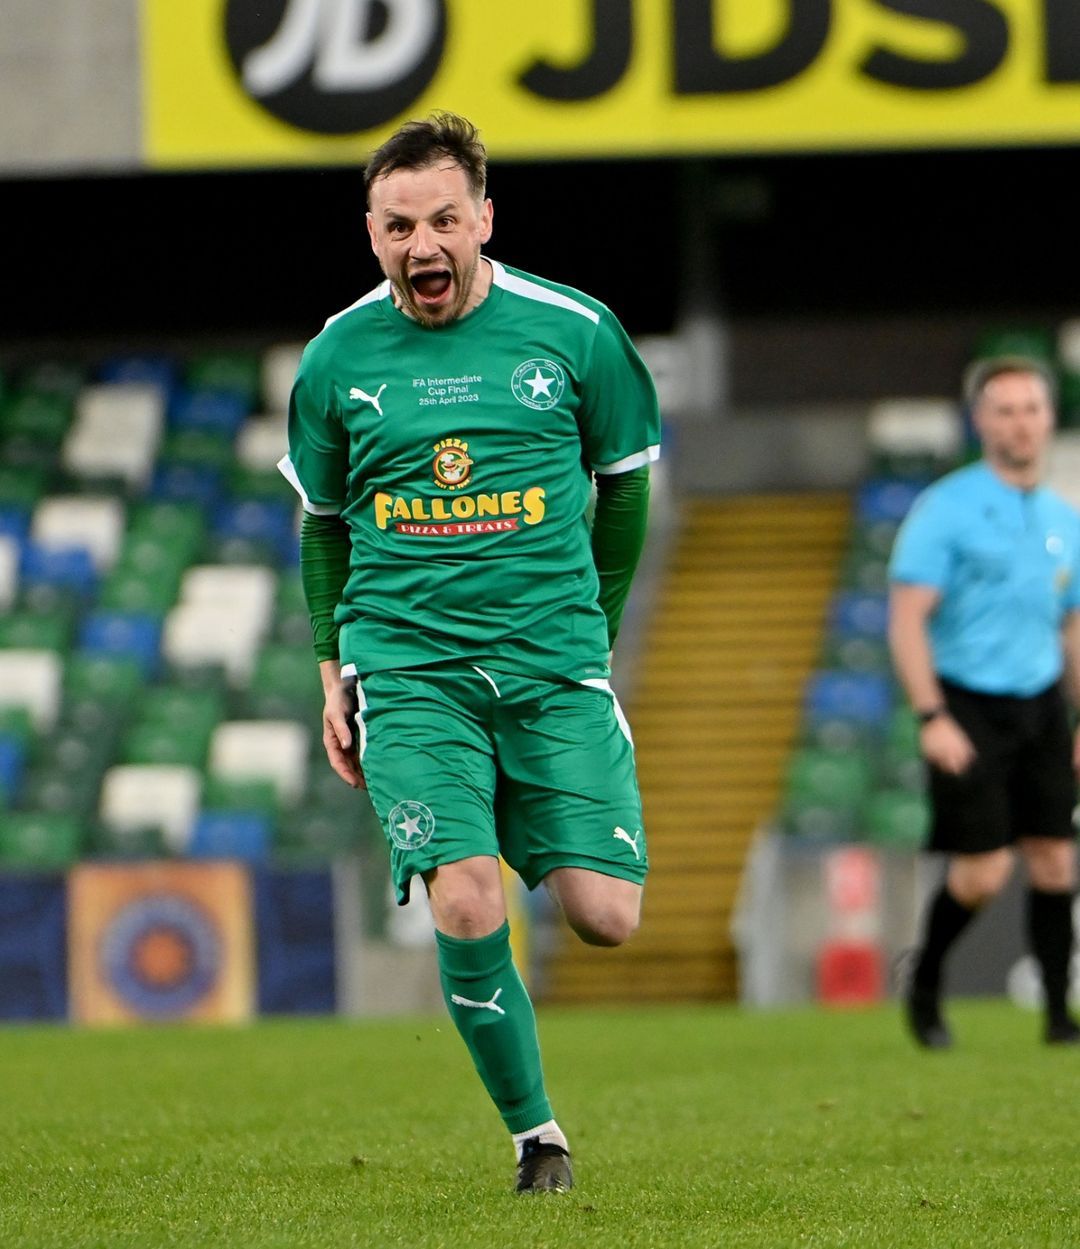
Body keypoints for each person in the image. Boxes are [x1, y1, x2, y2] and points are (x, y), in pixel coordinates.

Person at [278, 112, 660, 1191]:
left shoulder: (576, 332)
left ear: (484, 217)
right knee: (465, 897)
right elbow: (323, 520)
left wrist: (601, 632)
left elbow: (626, 477)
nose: (424, 244)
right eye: (400, 225)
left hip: (551, 666)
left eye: (445, 218)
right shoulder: (338, 354)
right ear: (372, 233)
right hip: (407, 669)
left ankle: (541, 809)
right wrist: (331, 670)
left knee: (607, 917)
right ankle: (538, 1136)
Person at [888, 355, 1080, 1049]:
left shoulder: (1064, 517)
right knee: (983, 870)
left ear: (1049, 419)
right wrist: (932, 716)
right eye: (1005, 409)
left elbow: (1073, 624)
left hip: (1042, 704)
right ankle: (927, 979)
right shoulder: (948, 507)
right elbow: (908, 616)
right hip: (966, 703)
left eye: (1032, 408)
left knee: (1057, 858)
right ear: (981, 421)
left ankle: (1059, 1017)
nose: (1020, 422)